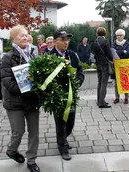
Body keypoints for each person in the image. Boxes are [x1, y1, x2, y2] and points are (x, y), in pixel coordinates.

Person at [0, 25, 40, 172]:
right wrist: (25, 90)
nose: (25, 37)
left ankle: (31, 160)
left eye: (26, 35)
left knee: (34, 133)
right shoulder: (8, 57)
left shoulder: (34, 54)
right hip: (15, 102)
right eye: (22, 35)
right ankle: (11, 150)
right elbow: (7, 81)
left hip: (33, 101)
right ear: (14, 39)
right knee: (18, 131)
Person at [49, 30, 84, 161]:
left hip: (71, 95)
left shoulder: (72, 55)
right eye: (63, 39)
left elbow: (80, 70)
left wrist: (78, 82)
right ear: (55, 41)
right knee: (60, 123)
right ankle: (62, 147)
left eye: (67, 39)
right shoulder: (48, 56)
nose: (66, 42)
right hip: (57, 96)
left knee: (70, 123)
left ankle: (63, 138)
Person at [92, 27, 113, 108]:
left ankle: (99, 100)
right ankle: (101, 103)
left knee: (99, 82)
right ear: (105, 33)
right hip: (104, 64)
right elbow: (109, 54)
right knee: (104, 83)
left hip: (98, 64)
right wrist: (112, 59)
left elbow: (93, 52)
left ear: (97, 33)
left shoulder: (95, 41)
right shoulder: (105, 41)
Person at [112, 29, 129, 104]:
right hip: (116, 67)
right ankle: (117, 97)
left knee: (126, 82)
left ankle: (126, 97)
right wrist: (123, 51)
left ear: (123, 36)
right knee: (116, 83)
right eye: (118, 35)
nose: (119, 36)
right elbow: (113, 53)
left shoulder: (127, 43)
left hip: (125, 66)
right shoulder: (114, 44)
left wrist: (121, 53)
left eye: (120, 35)